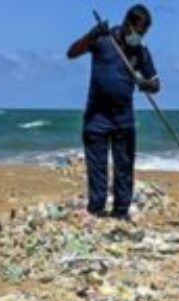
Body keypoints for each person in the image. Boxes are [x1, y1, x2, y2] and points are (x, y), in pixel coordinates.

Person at [67, 4, 161, 221]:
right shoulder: (103, 40)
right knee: (97, 169)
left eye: (144, 33)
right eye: (138, 32)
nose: (140, 36)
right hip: (96, 119)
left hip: (123, 120)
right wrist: (90, 36)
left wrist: (144, 83)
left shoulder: (140, 51)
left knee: (124, 169)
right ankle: (97, 210)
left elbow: (156, 85)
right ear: (128, 25)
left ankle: (121, 212)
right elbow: (71, 53)